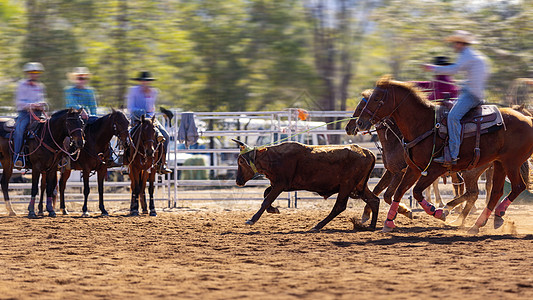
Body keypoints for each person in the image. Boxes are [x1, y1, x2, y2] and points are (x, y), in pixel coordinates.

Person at [423, 30, 489, 165]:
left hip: (471, 94)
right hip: (471, 92)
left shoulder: (467, 55)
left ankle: (453, 155)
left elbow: (453, 69)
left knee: (453, 117)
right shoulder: (473, 55)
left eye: (455, 43)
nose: (453, 46)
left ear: (460, 43)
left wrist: (432, 68)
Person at [126, 71, 171, 174]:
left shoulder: (153, 91)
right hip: (137, 119)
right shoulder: (133, 91)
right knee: (126, 137)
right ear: (140, 81)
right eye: (143, 81)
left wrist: (148, 98)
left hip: (150, 120)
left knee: (166, 136)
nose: (145, 83)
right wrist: (142, 112)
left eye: (147, 81)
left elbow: (151, 109)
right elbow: (131, 108)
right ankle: (127, 161)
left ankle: (161, 163)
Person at [13, 62, 47, 169]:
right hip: (25, 114)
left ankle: (56, 156)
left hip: (38, 114)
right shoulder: (21, 85)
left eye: (36, 72)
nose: (34, 74)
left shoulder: (40, 86)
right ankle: (18, 156)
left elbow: (41, 100)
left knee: (52, 127)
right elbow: (19, 103)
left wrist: (43, 104)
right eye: (31, 72)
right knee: (20, 129)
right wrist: (32, 105)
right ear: (28, 73)